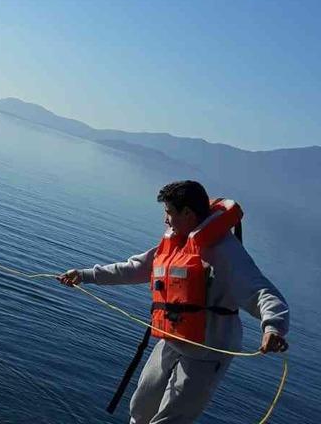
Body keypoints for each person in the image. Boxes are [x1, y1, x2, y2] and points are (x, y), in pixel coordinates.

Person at [58, 180, 289, 423]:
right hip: (173, 339)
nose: (165, 220)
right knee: (141, 409)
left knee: (171, 419)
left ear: (187, 213)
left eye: (168, 213)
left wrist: (273, 326)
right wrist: (85, 275)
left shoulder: (225, 252)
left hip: (207, 352)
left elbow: (262, 291)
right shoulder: (177, 242)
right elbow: (135, 268)